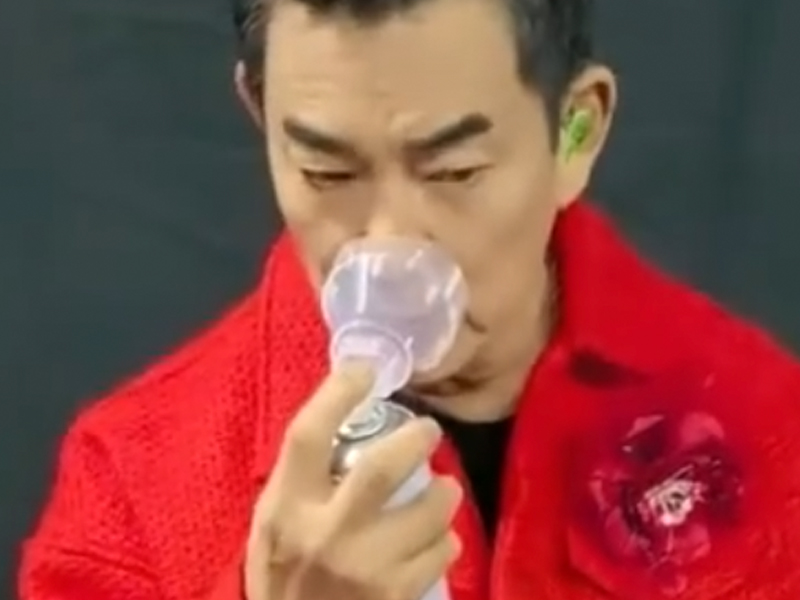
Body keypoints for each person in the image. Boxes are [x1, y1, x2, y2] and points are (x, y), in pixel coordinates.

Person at [18, 0, 800, 598]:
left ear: (575, 131)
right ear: (262, 117)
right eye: (327, 173)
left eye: (454, 172)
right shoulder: (128, 488)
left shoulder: (766, 419)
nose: (388, 243)